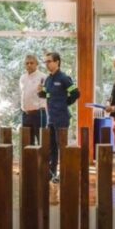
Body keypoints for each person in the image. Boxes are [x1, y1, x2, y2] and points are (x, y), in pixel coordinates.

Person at [39, 51, 80, 182]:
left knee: (62, 146)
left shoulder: (64, 78)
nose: (47, 64)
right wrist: (41, 93)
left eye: (49, 61)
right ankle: (52, 173)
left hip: (61, 117)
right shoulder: (48, 79)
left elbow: (75, 93)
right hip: (50, 118)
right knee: (51, 147)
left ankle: (65, 174)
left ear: (57, 62)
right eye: (45, 62)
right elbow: (47, 95)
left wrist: (65, 103)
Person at [19, 54, 47, 145]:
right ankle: (29, 160)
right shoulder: (22, 78)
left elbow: (47, 95)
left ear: (36, 64)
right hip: (25, 114)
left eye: (32, 63)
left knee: (41, 141)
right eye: (27, 63)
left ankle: (42, 160)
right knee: (27, 142)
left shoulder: (43, 77)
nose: (29, 65)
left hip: (39, 114)